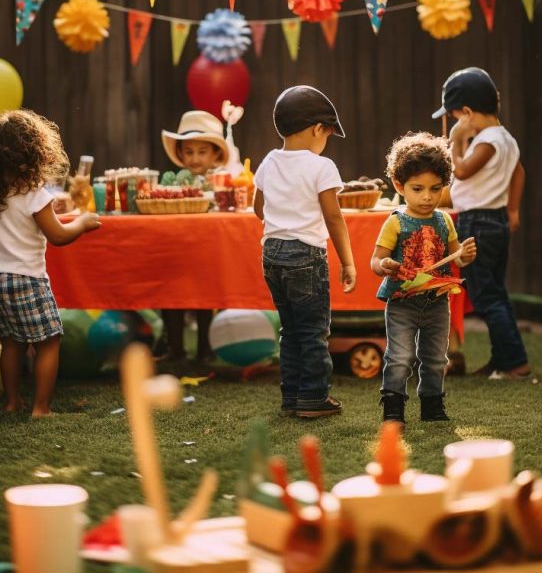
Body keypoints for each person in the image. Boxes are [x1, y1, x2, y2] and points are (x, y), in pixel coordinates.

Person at [0, 110, 101, 417]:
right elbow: (58, 236)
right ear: (34, 155)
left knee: (12, 343)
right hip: (25, 278)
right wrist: (83, 223)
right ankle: (41, 408)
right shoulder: (33, 195)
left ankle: (12, 403)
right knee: (49, 340)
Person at [254, 86, 357, 418]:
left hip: (271, 255)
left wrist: (283, 216)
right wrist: (348, 261)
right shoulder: (321, 166)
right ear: (317, 128)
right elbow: (333, 216)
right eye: (328, 132)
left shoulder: (269, 161)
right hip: (306, 257)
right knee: (313, 331)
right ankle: (313, 397)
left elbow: (259, 209)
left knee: (291, 330)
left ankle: (291, 396)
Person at [371, 133, 477, 425]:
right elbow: (375, 262)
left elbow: (457, 257)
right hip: (402, 302)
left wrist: (466, 254)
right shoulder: (395, 221)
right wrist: (386, 264)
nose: (428, 197)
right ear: (399, 186)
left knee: (435, 358)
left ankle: (432, 407)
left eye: (436, 188)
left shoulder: (444, 221)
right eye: (417, 189)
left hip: (437, 303)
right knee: (400, 357)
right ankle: (393, 409)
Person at [434, 68, 531, 380]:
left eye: (453, 118)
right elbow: (519, 173)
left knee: (487, 296)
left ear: (467, 113)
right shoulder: (507, 139)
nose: (452, 124)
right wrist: (512, 211)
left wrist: (456, 141)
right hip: (497, 220)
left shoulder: (486, 141)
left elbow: (461, 172)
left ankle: (514, 362)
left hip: (477, 222)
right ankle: (502, 359)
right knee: (496, 293)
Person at [159, 110, 230, 360]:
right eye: (189, 152)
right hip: (178, 250)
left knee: (205, 298)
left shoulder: (220, 183)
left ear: (215, 155)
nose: (195, 158)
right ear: (180, 154)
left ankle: (205, 348)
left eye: (202, 152)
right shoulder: (172, 182)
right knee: (171, 296)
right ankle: (175, 347)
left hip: (208, 252)